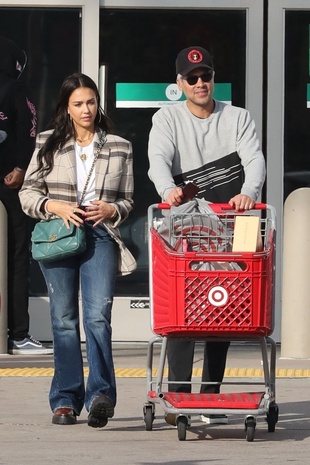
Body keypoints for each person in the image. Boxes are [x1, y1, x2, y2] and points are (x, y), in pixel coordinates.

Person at [148, 46, 266, 425]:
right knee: (184, 308)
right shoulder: (167, 119)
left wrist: (249, 191)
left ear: (214, 78)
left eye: (207, 76)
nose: (201, 83)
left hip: (235, 222)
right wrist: (168, 191)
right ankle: (180, 393)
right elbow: (159, 161)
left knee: (225, 306)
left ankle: (211, 394)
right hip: (189, 223)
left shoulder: (237, 117)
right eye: (193, 78)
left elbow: (254, 159)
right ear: (180, 83)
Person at [19, 72, 136, 427]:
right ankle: (66, 399)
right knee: (64, 320)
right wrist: (54, 206)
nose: (86, 109)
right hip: (60, 234)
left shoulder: (120, 146)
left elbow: (129, 200)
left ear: (98, 104)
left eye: (91, 102)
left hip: (100, 234)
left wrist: (112, 209)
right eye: (78, 104)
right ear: (67, 108)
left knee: (97, 316)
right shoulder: (47, 142)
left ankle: (101, 394)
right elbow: (27, 193)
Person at [0, 36, 53, 355]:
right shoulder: (16, 89)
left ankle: (17, 333)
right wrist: (20, 166)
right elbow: (30, 130)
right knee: (17, 257)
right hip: (9, 186)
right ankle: (18, 334)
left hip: (9, 183)